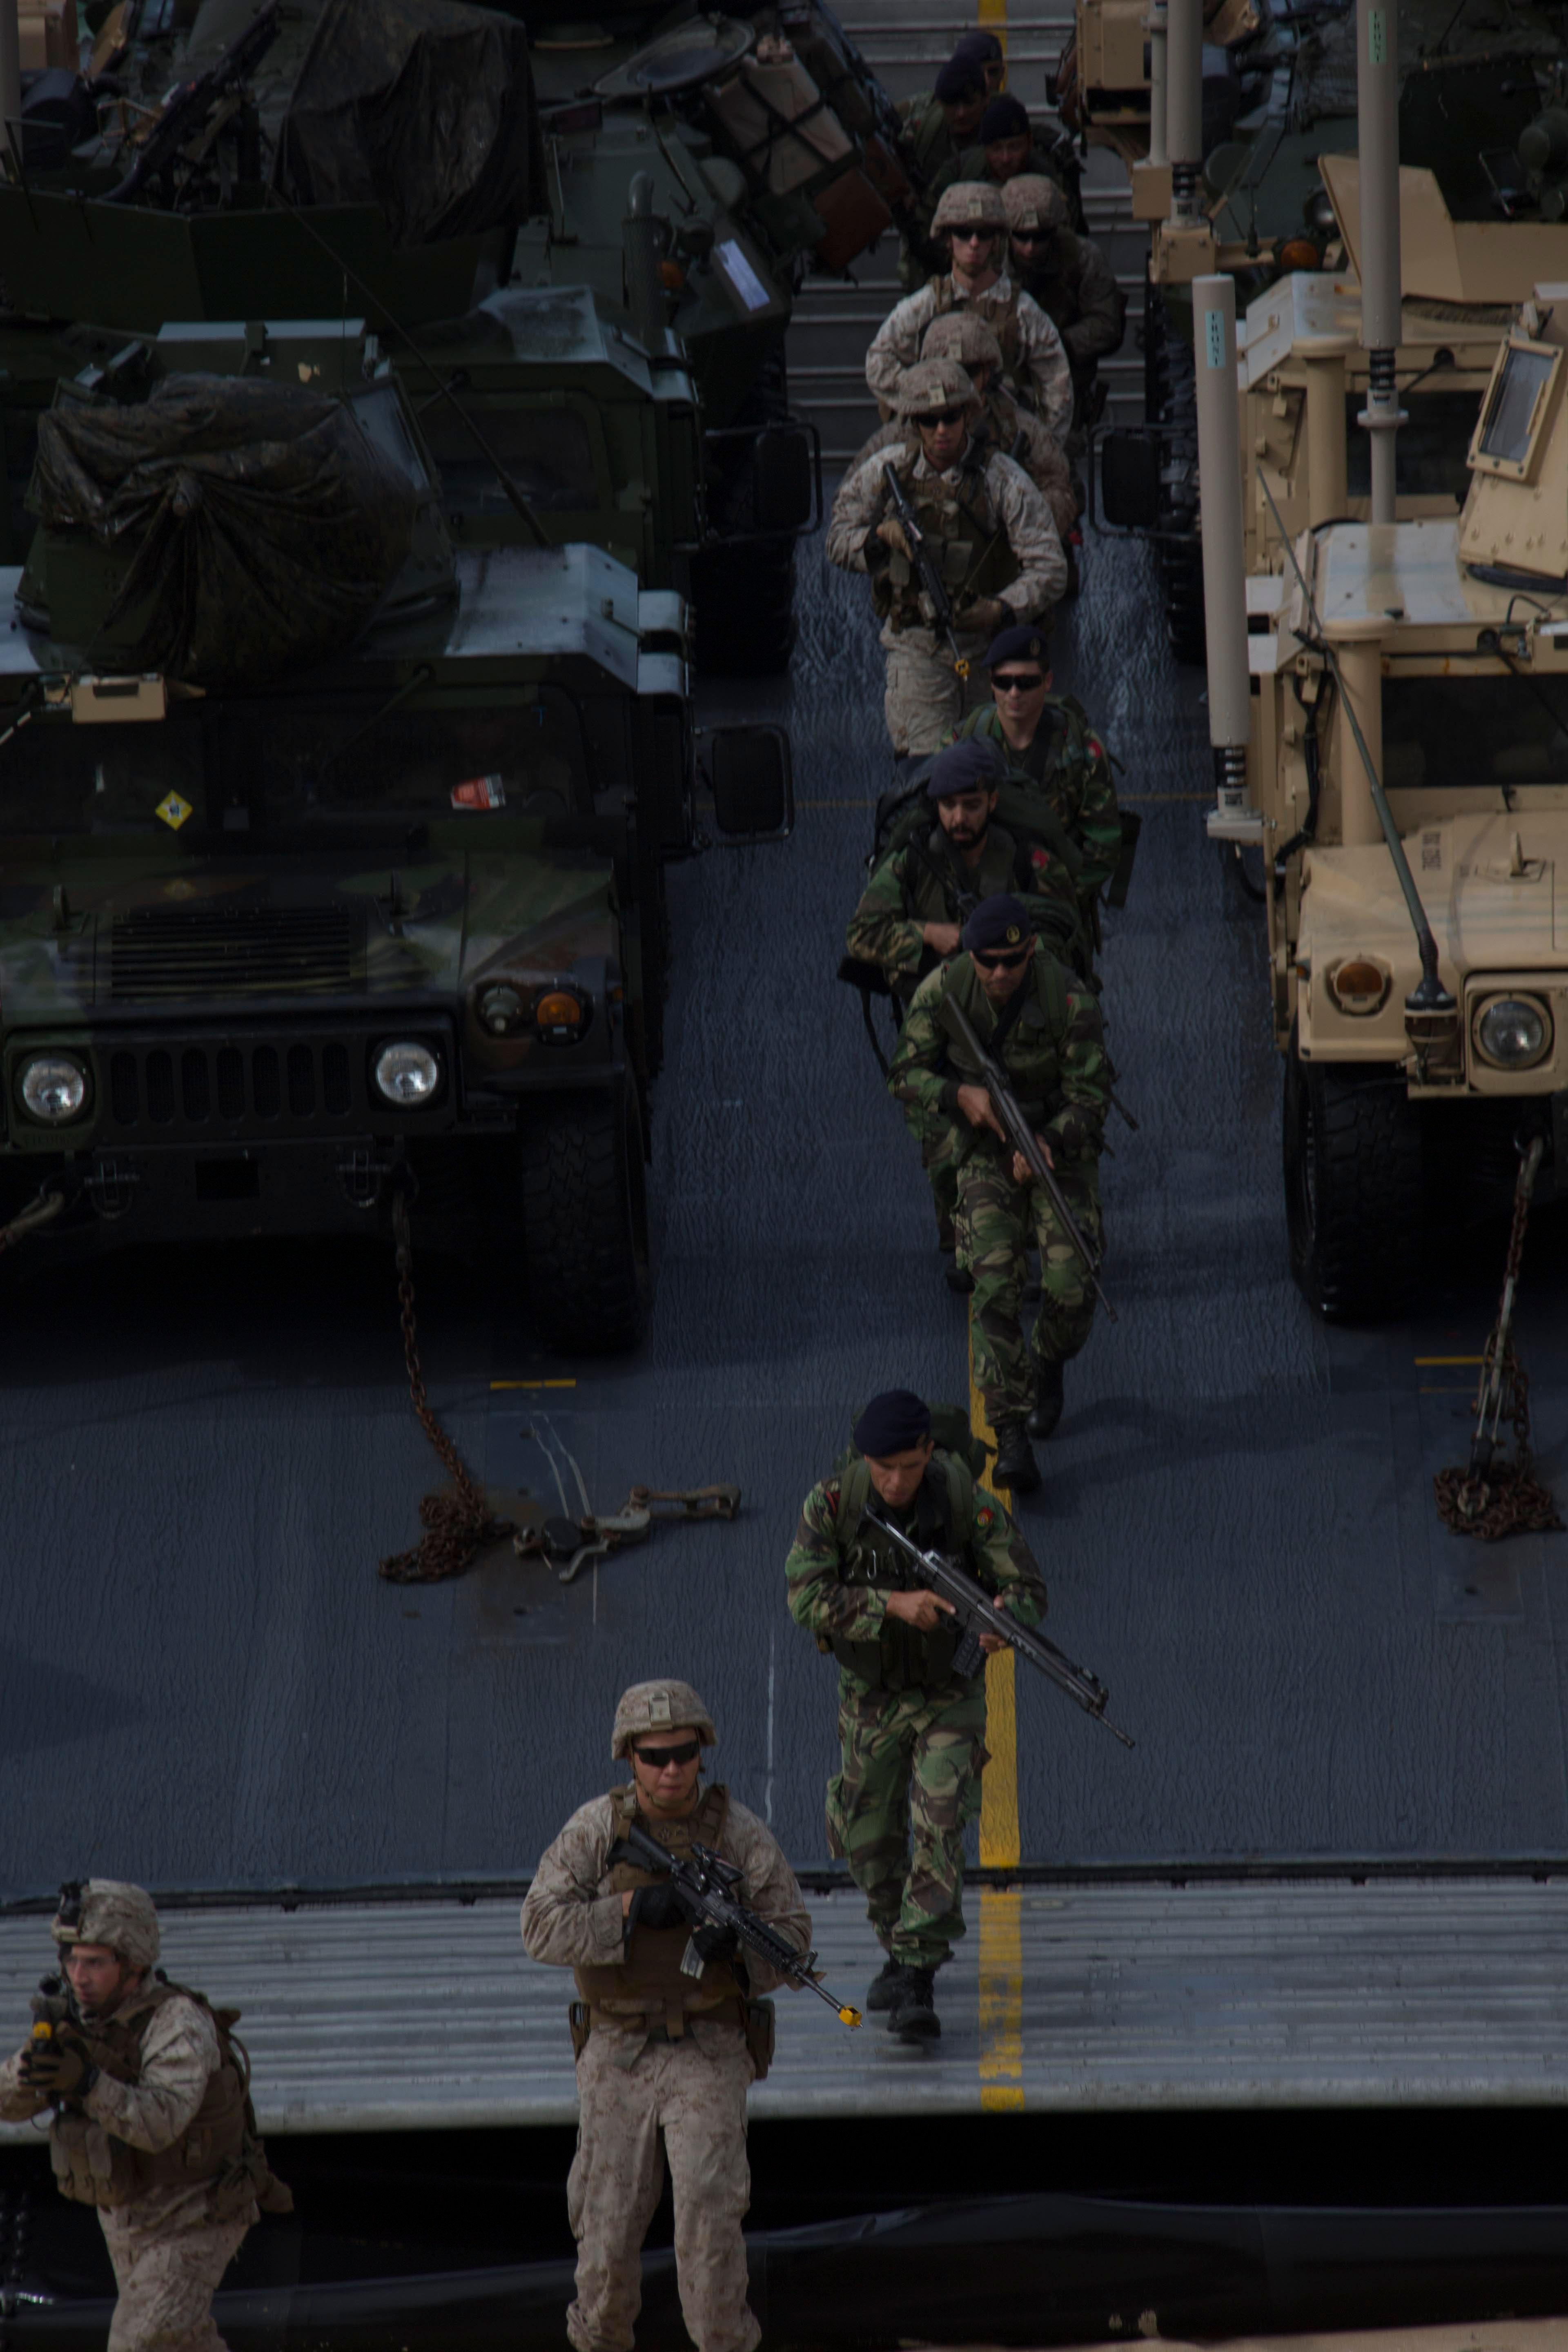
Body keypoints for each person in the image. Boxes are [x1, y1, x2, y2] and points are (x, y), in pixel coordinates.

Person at [520, 1679, 812, 2352]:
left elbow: (792, 1939)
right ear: (630, 1757)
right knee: (606, 2227)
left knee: (710, 2220)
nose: (672, 1770)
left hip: (708, 2043)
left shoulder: (738, 1833)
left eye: (684, 1754)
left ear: (702, 1752)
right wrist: (626, 1913)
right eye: (655, 1757)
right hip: (618, 2046)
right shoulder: (598, 1829)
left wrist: (736, 1948)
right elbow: (538, 1927)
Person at [784, 1389, 1047, 2043]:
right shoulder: (832, 1505)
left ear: (929, 1452)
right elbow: (805, 1598)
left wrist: (1002, 1619)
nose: (896, 1482)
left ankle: (918, 1976)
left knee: (940, 1819)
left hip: (947, 1690)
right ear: (864, 1460)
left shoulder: (964, 1503)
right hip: (870, 1695)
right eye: (883, 1469)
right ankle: (899, 1947)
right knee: (866, 1837)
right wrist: (892, 1606)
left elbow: (1028, 1589)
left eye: (908, 1466)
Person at [0, 1879, 289, 2352]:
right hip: (130, 2217)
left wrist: (86, 2082)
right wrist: (36, 2071)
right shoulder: (78, 2020)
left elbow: (160, 2122)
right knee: (182, 2342)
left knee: (141, 2342)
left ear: (132, 1964)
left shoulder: (178, 2023)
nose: (79, 1976)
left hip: (197, 2213)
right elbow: (8, 2103)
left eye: (95, 1963)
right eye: (71, 1960)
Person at [889, 895, 1110, 1484]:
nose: (1000, 973)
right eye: (988, 961)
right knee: (993, 1285)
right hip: (985, 1150)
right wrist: (958, 1095)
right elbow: (904, 1074)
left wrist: (1051, 1140)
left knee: (1073, 1285)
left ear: (1032, 950)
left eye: (1013, 960)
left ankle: (1047, 1360)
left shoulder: (1069, 999)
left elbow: (1091, 1096)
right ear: (970, 955)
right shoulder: (943, 991)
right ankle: (1010, 1432)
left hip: (1054, 1150)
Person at [844, 737, 1086, 1267]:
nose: (959, 817)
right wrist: (927, 935)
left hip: (1019, 1017)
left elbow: (1066, 932)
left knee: (1034, 1121)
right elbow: (861, 935)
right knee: (944, 1140)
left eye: (971, 805)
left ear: (992, 801)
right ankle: (960, 1236)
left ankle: (1032, 1226)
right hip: (940, 1027)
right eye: (949, 805)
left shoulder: (1024, 858)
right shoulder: (913, 861)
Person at [827, 359, 1064, 758]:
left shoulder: (1001, 478)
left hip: (991, 651)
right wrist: (878, 538)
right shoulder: (887, 470)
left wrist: (1000, 608)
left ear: (968, 415)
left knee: (992, 769)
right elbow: (836, 539)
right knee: (927, 770)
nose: (941, 430)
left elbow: (1051, 568)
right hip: (917, 645)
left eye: (951, 417)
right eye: (929, 419)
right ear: (914, 422)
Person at [843, 312, 1079, 547]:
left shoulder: (1021, 429)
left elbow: (1063, 492)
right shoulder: (901, 433)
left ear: (987, 372)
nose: (956, 380)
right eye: (945, 370)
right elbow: (849, 502)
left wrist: (1019, 519)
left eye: (968, 371)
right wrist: (883, 535)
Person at [866, 181, 1074, 442]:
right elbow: (878, 362)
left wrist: (1040, 443)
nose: (974, 243)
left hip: (1003, 441)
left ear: (996, 240)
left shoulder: (1022, 310)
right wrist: (918, 396)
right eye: (964, 233)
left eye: (984, 234)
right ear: (948, 239)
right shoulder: (925, 306)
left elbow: (1057, 383)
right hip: (937, 441)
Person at [947, 624, 1123, 924]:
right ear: (991, 683)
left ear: (1047, 682)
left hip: (1055, 904)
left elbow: (1104, 843)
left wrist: (1066, 898)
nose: (1014, 693)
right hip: (980, 904)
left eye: (1027, 683)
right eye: (1004, 682)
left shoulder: (1081, 750)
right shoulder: (962, 744)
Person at [1003, 175, 1127, 433]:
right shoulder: (989, 263)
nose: (1030, 248)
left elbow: (1107, 324)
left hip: (1065, 393)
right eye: (1021, 238)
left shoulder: (1082, 258)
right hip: (1003, 394)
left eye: (1040, 238)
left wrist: (1056, 344)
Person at [926, 93, 1084, 234]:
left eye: (1015, 147)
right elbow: (928, 221)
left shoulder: (1050, 176)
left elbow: (1069, 232)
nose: (1006, 159)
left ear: (1030, 142)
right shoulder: (959, 171)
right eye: (996, 149)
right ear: (984, 148)